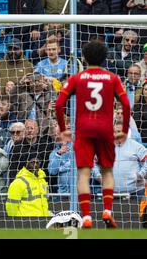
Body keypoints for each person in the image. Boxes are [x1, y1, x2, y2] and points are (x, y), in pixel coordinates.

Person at [55, 40, 131, 229]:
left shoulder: (77, 78)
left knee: (83, 173)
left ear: (85, 58)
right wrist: (124, 130)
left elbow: (58, 104)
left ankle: (87, 216)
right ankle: (107, 211)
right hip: (105, 130)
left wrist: (63, 128)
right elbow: (127, 105)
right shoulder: (112, 78)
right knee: (107, 171)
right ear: (105, 58)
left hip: (84, 130)